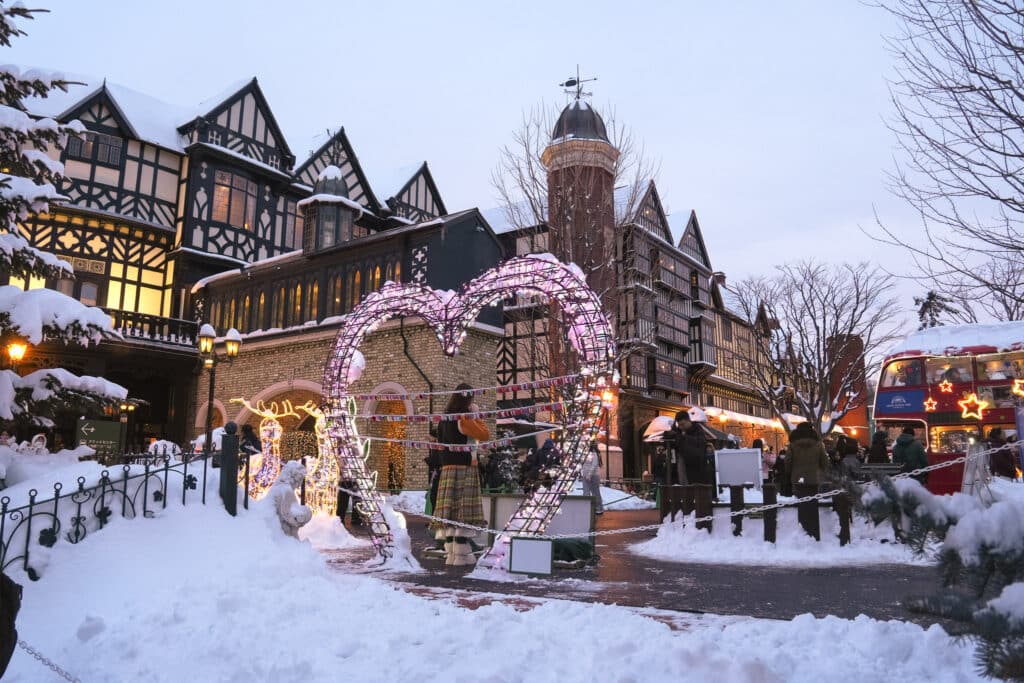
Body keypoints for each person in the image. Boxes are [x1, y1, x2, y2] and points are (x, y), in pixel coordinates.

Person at [432, 384, 489, 566]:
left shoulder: (444, 419)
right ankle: (462, 554)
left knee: (450, 511)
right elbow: (484, 434)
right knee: (464, 511)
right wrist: (476, 416)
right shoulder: (463, 419)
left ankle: (451, 554)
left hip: (447, 468)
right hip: (464, 466)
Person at [783, 422, 830, 489]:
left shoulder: (792, 445)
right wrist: (822, 471)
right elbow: (824, 461)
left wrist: (789, 472)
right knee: (814, 497)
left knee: (799, 497)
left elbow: (787, 461)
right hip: (815, 477)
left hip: (797, 478)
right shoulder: (818, 445)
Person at [670, 410, 708, 486]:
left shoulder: (698, 430)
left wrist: (684, 437)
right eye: (679, 425)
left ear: (688, 420)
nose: (681, 427)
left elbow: (700, 444)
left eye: (683, 424)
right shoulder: (678, 431)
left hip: (696, 468)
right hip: (682, 465)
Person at [580, 443, 604, 515]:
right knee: (586, 492)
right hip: (585, 475)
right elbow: (582, 464)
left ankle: (599, 508)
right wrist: (583, 473)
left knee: (595, 492)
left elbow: (594, 465)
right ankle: (586, 508)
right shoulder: (584, 454)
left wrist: (589, 475)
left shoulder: (594, 453)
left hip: (594, 476)